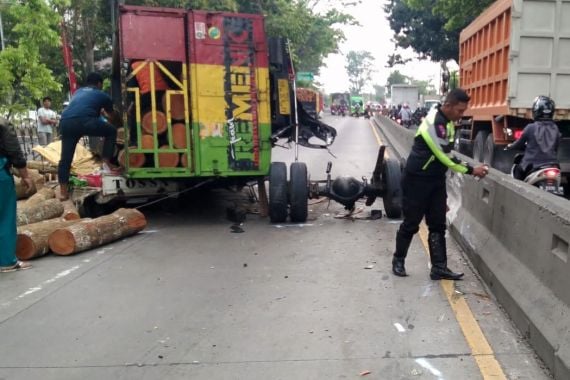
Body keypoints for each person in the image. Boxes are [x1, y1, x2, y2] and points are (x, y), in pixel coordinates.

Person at [392, 88, 488, 280]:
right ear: (448, 105)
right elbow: (446, 157)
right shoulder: (435, 123)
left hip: (435, 180)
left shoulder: (448, 122)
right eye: (459, 111)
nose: (462, 115)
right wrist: (472, 169)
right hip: (417, 179)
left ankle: (439, 267)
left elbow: (447, 156)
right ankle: (398, 260)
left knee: (437, 224)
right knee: (411, 223)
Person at [58, 72, 120, 201]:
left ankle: (63, 193)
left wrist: (99, 112)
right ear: (99, 84)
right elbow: (112, 116)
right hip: (84, 121)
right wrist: (116, 120)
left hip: (66, 122)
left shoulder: (78, 92)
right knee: (111, 131)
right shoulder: (102, 95)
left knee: (65, 159)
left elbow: (84, 108)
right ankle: (106, 163)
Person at [0, 117, 33, 272]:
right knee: (5, 217)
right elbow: (13, 150)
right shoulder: (2, 123)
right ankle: (6, 262)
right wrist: (25, 175)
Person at [507, 95, 561, 180]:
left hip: (532, 165)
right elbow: (556, 147)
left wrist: (510, 146)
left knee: (517, 173)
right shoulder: (555, 128)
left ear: (536, 111)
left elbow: (519, 144)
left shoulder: (530, 127)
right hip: (553, 165)